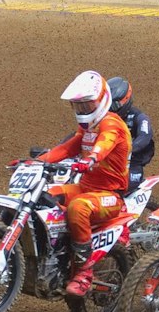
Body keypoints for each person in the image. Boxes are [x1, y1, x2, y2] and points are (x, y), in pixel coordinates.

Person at [34, 71, 132, 297]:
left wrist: (92, 158)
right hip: (86, 188)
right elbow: (68, 148)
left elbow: (104, 144)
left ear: (102, 100)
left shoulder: (111, 124)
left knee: (79, 207)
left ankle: (84, 273)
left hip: (110, 195)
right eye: (78, 106)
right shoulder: (88, 127)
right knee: (46, 196)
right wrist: (35, 163)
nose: (83, 111)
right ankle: (53, 252)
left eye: (87, 105)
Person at [108, 76, 156, 189]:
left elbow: (145, 136)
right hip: (107, 164)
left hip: (132, 165)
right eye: (107, 104)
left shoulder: (139, 117)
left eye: (114, 105)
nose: (110, 109)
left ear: (126, 100)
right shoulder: (104, 118)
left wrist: (124, 149)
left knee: (116, 187)